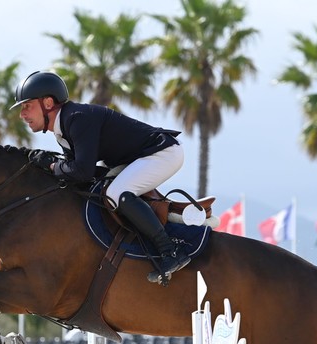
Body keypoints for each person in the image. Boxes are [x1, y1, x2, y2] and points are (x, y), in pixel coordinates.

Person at [11, 70, 190, 284]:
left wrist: (51, 165)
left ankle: (170, 250)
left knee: (117, 193)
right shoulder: (62, 131)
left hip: (162, 153)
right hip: (135, 159)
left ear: (48, 103)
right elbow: (77, 175)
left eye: (27, 106)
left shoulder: (77, 118)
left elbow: (81, 171)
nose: (22, 114)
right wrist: (53, 165)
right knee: (102, 191)